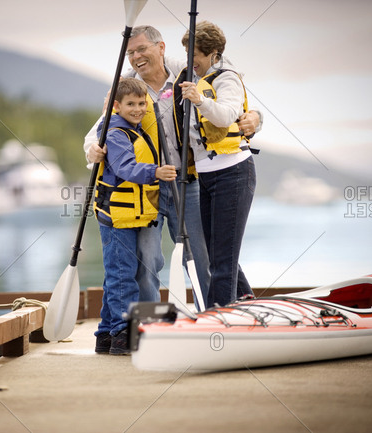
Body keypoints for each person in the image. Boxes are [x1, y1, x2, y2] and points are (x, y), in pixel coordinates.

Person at [84, 25, 262, 310]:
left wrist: (256, 117)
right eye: (131, 53)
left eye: (142, 49)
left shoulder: (187, 73)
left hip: (188, 183)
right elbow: (97, 132)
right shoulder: (126, 88)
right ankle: (148, 325)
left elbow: (230, 95)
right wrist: (92, 149)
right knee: (147, 260)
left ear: (161, 47)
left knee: (203, 258)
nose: (136, 57)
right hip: (147, 188)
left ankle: (216, 317)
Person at [93, 78, 176, 355]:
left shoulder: (135, 130)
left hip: (131, 216)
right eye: (131, 104)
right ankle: (121, 334)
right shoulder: (116, 134)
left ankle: (105, 335)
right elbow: (126, 167)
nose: (138, 109)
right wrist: (155, 172)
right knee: (122, 275)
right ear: (116, 106)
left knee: (115, 276)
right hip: (117, 217)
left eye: (142, 104)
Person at [178, 21, 256, 306]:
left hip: (233, 172)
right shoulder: (193, 73)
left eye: (194, 54)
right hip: (206, 175)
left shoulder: (227, 79)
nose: (190, 60)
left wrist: (199, 101)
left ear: (213, 54)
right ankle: (246, 300)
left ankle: (217, 319)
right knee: (217, 253)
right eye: (187, 53)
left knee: (221, 261)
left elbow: (225, 117)